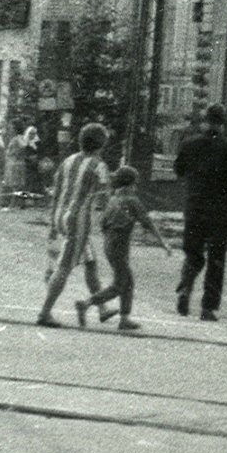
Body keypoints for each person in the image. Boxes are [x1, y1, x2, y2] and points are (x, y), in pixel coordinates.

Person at [173, 106, 227, 320]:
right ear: (223, 123)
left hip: (195, 208)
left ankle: (185, 288)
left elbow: (178, 170)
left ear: (204, 121)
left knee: (193, 254)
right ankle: (208, 308)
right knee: (217, 260)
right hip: (220, 213)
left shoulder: (189, 144)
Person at [38, 122, 111, 328]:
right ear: (101, 144)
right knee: (64, 267)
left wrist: (53, 221)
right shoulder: (99, 165)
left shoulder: (68, 161)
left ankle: (102, 308)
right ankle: (44, 312)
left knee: (91, 263)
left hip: (60, 214)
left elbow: (56, 190)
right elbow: (105, 198)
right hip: (78, 221)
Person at [83, 164, 149, 331]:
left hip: (111, 245)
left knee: (127, 283)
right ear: (131, 183)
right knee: (120, 284)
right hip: (119, 247)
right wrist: (163, 243)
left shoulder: (113, 199)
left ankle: (125, 318)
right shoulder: (132, 200)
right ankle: (86, 304)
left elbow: (102, 223)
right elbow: (147, 223)